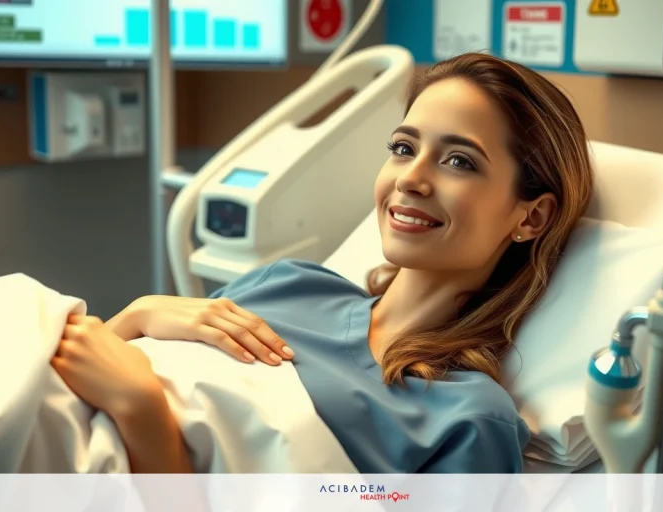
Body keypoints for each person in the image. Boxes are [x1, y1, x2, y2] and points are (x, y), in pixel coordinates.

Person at [51, 52, 594, 474]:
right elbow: (83, 367)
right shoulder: (288, 283)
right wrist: (137, 317)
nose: (411, 178)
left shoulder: (467, 418)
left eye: (459, 161)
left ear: (532, 217)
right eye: (404, 148)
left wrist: (143, 415)